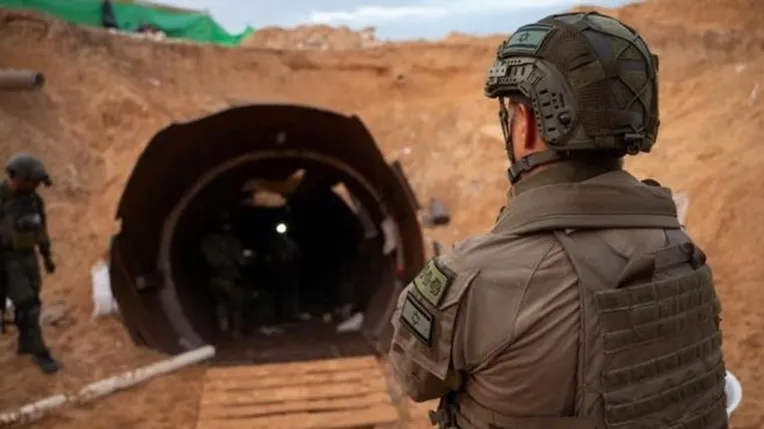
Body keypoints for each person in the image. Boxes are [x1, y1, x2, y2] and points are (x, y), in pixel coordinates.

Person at [389, 11, 727, 429]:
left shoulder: (474, 278)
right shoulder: (683, 252)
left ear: (528, 125)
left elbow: (412, 377)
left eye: (513, 113)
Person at [0, 153, 60, 374]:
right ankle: (40, 352)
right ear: (18, 178)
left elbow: (41, 230)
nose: (35, 187)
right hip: (7, 259)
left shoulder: (34, 201)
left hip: (28, 256)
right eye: (32, 182)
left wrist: (47, 256)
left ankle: (25, 341)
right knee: (28, 304)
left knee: (32, 298)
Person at [200, 211, 247, 339]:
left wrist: (242, 260)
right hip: (219, 276)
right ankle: (226, 330)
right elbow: (212, 260)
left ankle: (234, 330)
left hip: (230, 276)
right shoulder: (210, 240)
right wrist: (229, 260)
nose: (226, 226)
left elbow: (240, 259)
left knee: (233, 305)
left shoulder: (232, 240)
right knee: (224, 304)